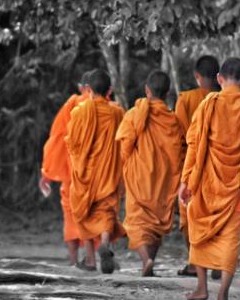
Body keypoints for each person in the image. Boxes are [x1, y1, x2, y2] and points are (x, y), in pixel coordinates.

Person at [179, 57, 240, 300]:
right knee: (231, 237)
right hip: (237, 183)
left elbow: (194, 144)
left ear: (219, 79)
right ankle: (223, 294)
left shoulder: (208, 104)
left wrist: (185, 180)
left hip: (207, 181)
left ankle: (201, 287)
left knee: (199, 230)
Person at [116, 70, 186, 276]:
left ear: (147, 90)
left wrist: (127, 164)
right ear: (168, 93)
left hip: (139, 176)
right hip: (164, 179)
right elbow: (181, 151)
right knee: (155, 223)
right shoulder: (173, 121)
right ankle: (150, 262)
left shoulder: (133, 115)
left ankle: (146, 260)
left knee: (137, 222)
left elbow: (125, 146)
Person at [65, 69, 126, 273]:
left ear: (88, 89)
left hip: (86, 173)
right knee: (106, 211)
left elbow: (72, 143)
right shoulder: (117, 112)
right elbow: (123, 142)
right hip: (108, 172)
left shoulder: (79, 112)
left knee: (84, 212)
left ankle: (90, 259)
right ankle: (106, 240)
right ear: (109, 90)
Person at [174, 55, 220, 278]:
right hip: (220, 167)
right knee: (217, 213)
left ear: (197, 77)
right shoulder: (229, 101)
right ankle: (219, 260)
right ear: (218, 77)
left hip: (192, 165)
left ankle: (194, 262)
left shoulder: (186, 100)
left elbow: (179, 137)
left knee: (189, 215)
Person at [39, 74, 89, 266]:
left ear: (81, 87)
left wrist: (47, 173)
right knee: (97, 212)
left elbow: (57, 138)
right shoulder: (110, 108)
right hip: (98, 173)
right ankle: (93, 257)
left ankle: (74, 259)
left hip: (72, 171)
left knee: (70, 214)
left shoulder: (73, 104)